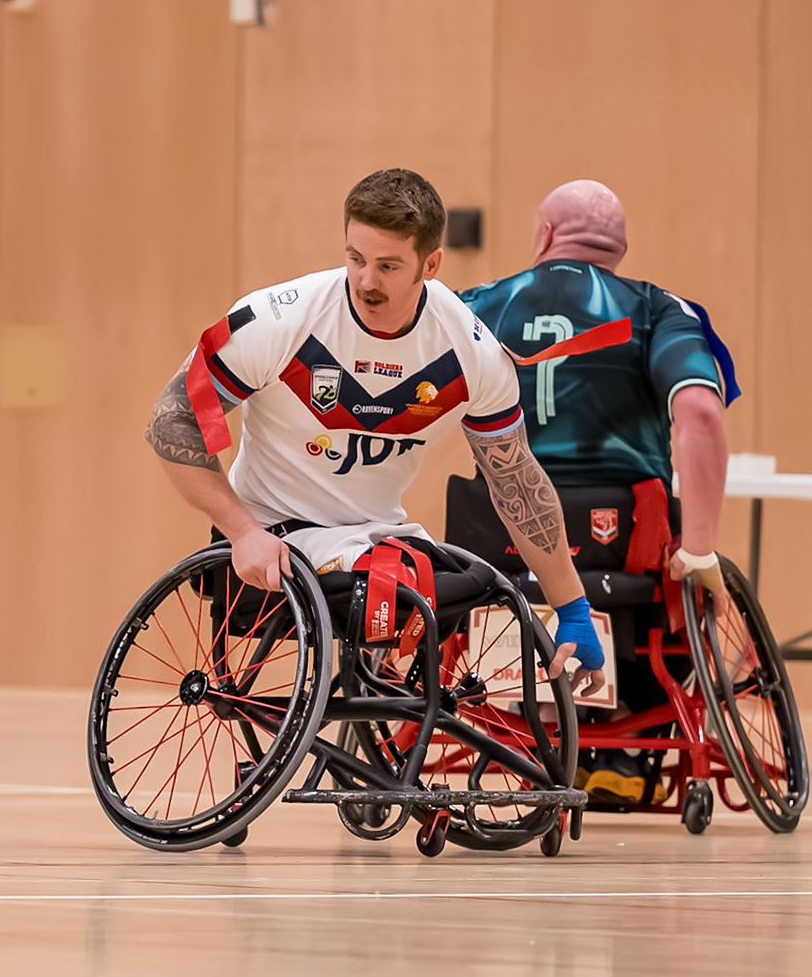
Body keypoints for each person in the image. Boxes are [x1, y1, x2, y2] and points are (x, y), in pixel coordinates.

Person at [147, 167, 604, 688]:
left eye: (388, 266)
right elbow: (172, 420)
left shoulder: (472, 352)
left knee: (480, 589)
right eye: (356, 258)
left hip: (378, 539)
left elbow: (515, 479)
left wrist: (573, 607)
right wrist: (242, 531)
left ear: (430, 264)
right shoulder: (279, 320)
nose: (366, 281)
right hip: (274, 532)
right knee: (405, 589)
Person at [456, 179, 730, 802]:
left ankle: (523, 733)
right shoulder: (658, 309)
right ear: (618, 247)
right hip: (623, 542)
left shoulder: (471, 305)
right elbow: (701, 415)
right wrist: (702, 550)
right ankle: (629, 752)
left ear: (546, 235)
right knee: (680, 588)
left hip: (501, 538)